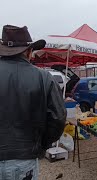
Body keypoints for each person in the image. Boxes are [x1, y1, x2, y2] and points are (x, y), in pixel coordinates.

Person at [0, 25, 66, 179]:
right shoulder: (44, 78)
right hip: (24, 159)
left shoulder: (44, 78)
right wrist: (41, 145)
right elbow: (58, 119)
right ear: (29, 51)